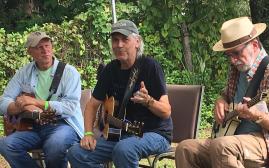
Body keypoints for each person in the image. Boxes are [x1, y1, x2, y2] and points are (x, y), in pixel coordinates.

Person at [175, 16, 269, 168]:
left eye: (236, 53)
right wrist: (221, 99)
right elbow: (227, 93)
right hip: (232, 136)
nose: (233, 60)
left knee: (223, 147)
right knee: (185, 148)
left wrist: (258, 116)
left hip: (266, 141)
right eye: (228, 55)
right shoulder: (238, 68)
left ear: (255, 45)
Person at [67, 19, 173, 168]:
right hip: (120, 135)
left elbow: (166, 111)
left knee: (124, 149)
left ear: (137, 42)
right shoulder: (110, 70)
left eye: (125, 39)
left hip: (154, 134)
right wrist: (89, 134)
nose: (119, 44)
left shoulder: (150, 66)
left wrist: (148, 101)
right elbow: (91, 106)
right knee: (75, 153)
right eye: (115, 40)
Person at [0, 31, 84, 168]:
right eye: (39, 47)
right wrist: (22, 106)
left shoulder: (70, 72)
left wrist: (34, 102)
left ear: (52, 47)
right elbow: (3, 102)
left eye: (47, 45)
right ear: (29, 52)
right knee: (5, 144)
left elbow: (69, 107)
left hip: (63, 125)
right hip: (32, 128)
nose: (45, 50)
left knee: (55, 145)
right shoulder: (23, 72)